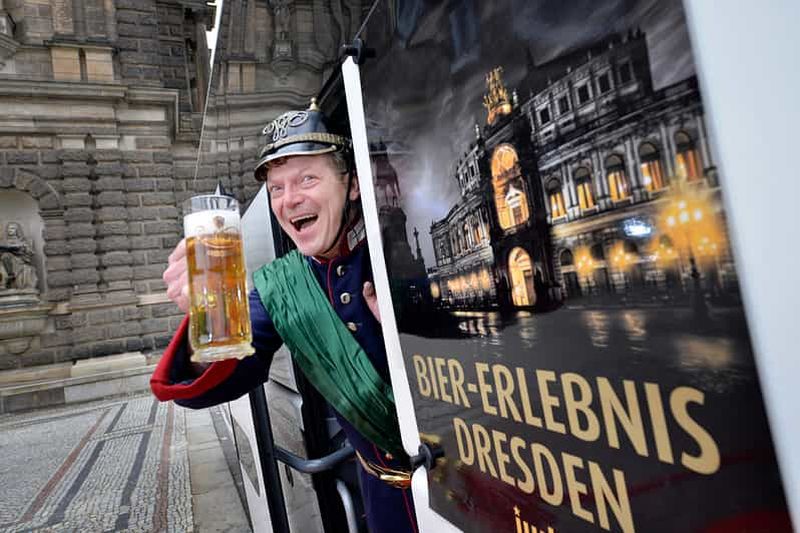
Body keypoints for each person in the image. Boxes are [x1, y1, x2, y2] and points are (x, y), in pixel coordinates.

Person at [150, 100, 419, 533]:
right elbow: (201, 388)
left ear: (351, 186)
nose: (289, 199)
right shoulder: (282, 286)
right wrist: (206, 318)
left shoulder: (402, 254)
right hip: (387, 505)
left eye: (307, 179)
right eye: (276, 188)